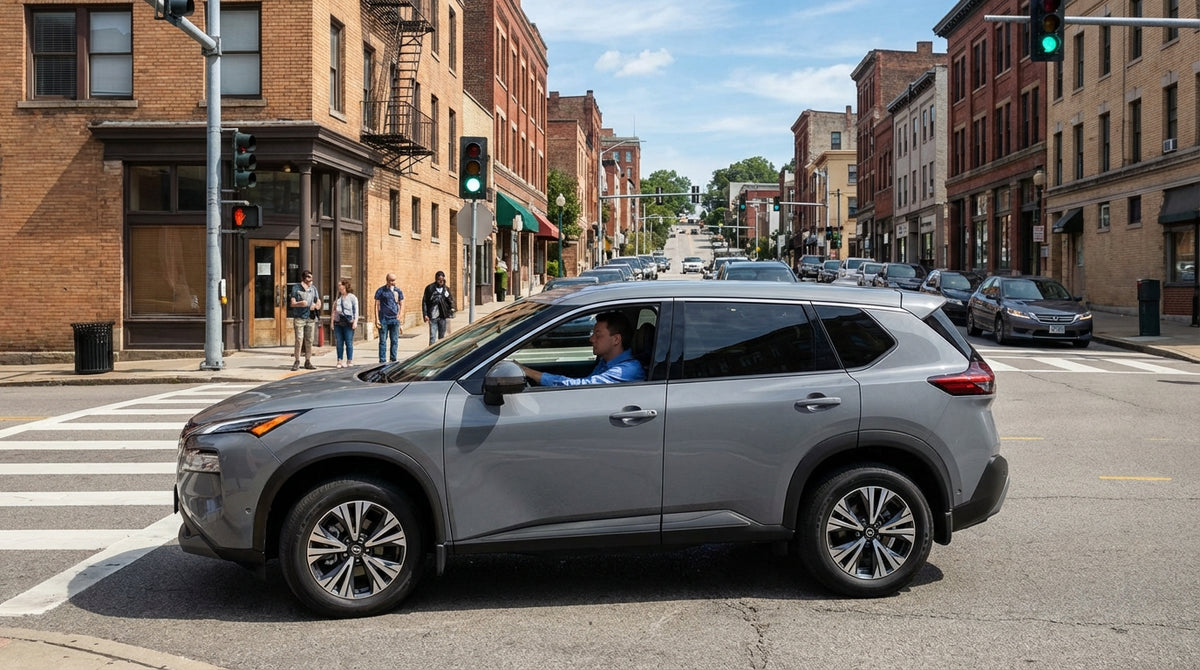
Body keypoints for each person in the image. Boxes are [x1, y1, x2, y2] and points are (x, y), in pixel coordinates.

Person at [517, 311, 645, 386]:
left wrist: (530, 372)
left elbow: (584, 387)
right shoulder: (606, 362)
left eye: (598, 335)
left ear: (616, 339)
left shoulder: (627, 370)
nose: (592, 339)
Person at [289, 270, 321, 371]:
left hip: (310, 317)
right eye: (308, 278)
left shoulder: (313, 288)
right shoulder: (296, 288)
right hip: (299, 317)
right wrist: (300, 304)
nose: (310, 280)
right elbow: (292, 303)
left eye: (311, 278)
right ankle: (297, 361)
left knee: (309, 340)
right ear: (304, 279)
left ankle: (308, 361)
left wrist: (316, 306)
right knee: (299, 339)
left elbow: (318, 301)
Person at [374, 273, 404, 363]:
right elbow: (376, 304)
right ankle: (382, 360)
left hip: (395, 319)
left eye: (394, 280)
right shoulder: (381, 291)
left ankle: (393, 359)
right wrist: (377, 319)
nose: (393, 282)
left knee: (394, 340)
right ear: (387, 281)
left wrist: (400, 315)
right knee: (383, 341)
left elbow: (402, 303)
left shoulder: (398, 291)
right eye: (391, 280)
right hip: (384, 318)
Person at [422, 270, 456, 345]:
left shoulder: (446, 289)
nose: (440, 281)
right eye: (439, 279)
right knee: (432, 336)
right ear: (436, 279)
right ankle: (431, 350)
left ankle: (440, 350)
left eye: (442, 280)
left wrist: (451, 310)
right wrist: (425, 314)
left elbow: (450, 301)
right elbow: (425, 301)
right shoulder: (430, 288)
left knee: (442, 337)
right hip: (433, 315)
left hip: (443, 315)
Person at [333, 278, 358, 368]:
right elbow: (334, 311)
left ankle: (349, 360)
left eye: (341, 285)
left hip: (348, 321)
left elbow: (356, 310)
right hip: (338, 321)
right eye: (339, 285)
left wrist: (355, 321)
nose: (339, 287)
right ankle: (339, 360)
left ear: (345, 286)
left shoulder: (352, 297)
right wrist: (332, 322)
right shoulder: (338, 298)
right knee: (339, 342)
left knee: (348, 342)